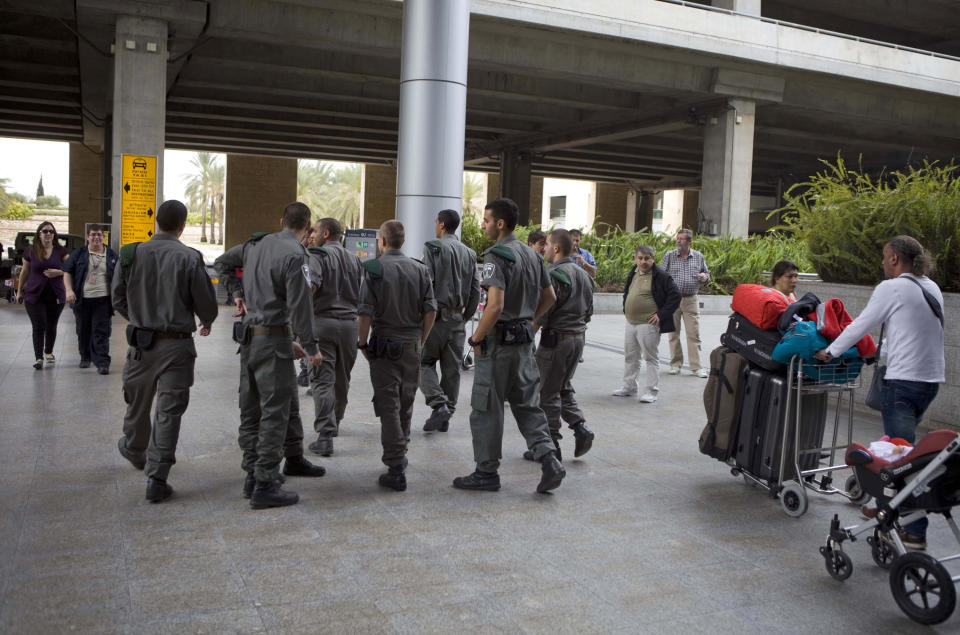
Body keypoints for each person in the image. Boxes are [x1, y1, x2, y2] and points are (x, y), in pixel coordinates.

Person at [815, 236, 944, 551]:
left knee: (904, 460)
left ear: (896, 259)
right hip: (929, 381)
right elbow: (911, 334)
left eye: (885, 258)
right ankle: (879, 503)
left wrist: (830, 352)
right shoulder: (931, 287)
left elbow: (860, 325)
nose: (883, 263)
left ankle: (913, 531)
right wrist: (880, 352)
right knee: (903, 450)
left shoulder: (893, 287)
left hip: (903, 382)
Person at [214, 202, 326, 509]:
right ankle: (265, 482)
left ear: (281, 220)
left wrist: (236, 293)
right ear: (308, 228)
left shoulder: (255, 245)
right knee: (275, 413)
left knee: (251, 412)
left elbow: (221, 263)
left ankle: (251, 474)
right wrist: (312, 348)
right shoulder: (296, 255)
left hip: (248, 339)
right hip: (274, 341)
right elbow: (301, 307)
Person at [454, 197, 566, 494]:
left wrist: (476, 337)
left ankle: (486, 472)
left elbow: (494, 305)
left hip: (498, 345)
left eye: (486, 220)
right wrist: (529, 320)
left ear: (500, 224)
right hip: (523, 344)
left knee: (487, 407)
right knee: (528, 405)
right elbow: (550, 297)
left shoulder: (496, 256)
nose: (483, 224)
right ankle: (549, 459)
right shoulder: (532, 256)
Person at [111, 200, 219, 503]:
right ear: (182, 226)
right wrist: (207, 320)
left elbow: (117, 297)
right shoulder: (190, 257)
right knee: (169, 411)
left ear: (156, 221)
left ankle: (134, 448)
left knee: (136, 402)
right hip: (178, 346)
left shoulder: (131, 254)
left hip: (141, 345)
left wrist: (139, 318)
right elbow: (206, 304)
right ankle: (157, 478)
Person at [358, 220, 437, 491]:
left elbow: (365, 312)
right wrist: (421, 339)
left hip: (384, 346)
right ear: (402, 241)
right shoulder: (420, 269)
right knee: (406, 403)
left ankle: (395, 465)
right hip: (411, 347)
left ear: (382, 241)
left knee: (388, 406)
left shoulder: (375, 269)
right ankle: (401, 454)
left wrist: (361, 343)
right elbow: (431, 310)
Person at [525, 229, 595, 461]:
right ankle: (580, 427)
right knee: (562, 386)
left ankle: (550, 445)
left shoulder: (553, 274)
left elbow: (542, 313)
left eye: (546, 244)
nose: (543, 249)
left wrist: (527, 337)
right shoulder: (584, 274)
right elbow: (588, 312)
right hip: (577, 339)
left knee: (546, 394)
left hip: (556, 342)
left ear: (555, 248)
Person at [305, 217, 363, 457]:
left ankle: (325, 434)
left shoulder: (318, 256)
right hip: (350, 326)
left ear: (326, 233)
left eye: (315, 231)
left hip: (323, 323)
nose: (312, 235)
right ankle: (335, 421)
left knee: (321, 379)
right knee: (342, 378)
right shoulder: (355, 259)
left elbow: (311, 287)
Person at [418, 209, 480, 433]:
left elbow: (426, 285)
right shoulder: (470, 254)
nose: (436, 225)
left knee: (423, 362)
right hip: (457, 319)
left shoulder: (433, 247)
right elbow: (475, 291)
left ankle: (438, 403)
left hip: (435, 318)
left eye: (436, 222)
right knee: (451, 369)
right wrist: (463, 317)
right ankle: (445, 416)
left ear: (442, 225)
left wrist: (422, 317)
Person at [612, 245, 681, 403]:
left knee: (650, 358)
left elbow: (675, 295)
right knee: (631, 356)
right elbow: (627, 292)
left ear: (653, 259)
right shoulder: (634, 272)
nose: (643, 261)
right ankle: (629, 387)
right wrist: (626, 308)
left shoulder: (661, 276)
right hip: (631, 322)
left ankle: (651, 391)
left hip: (648, 324)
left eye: (647, 258)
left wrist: (661, 315)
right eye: (640, 258)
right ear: (636, 259)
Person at [63, 225, 118, 374]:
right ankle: (85, 357)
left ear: (103, 237)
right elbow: (67, 272)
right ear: (87, 237)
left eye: (99, 235)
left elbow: (120, 277)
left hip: (103, 301)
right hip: (82, 300)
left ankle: (102, 362)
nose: (96, 238)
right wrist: (69, 290)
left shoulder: (112, 255)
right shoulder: (79, 254)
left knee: (102, 332)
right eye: (93, 235)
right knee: (83, 331)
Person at [18, 221, 68, 369]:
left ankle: (48, 352)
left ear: (54, 235)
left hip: (55, 294)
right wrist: (20, 290)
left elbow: (71, 267)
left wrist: (58, 272)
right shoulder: (30, 250)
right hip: (34, 294)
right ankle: (38, 358)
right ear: (39, 234)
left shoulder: (60, 250)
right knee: (39, 325)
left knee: (51, 325)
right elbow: (25, 271)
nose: (48, 234)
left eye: (51, 232)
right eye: (45, 231)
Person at [661, 228, 710, 378]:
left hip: (691, 299)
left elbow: (707, 275)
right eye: (678, 238)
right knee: (673, 333)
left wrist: (704, 277)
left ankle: (696, 367)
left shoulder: (698, 256)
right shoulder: (669, 256)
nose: (678, 241)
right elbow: (661, 276)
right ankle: (675, 364)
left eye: (682, 239)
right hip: (673, 299)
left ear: (689, 241)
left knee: (693, 334)